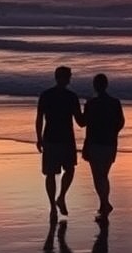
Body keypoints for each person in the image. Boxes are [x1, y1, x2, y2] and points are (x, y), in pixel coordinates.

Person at [36, 65, 84, 222]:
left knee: (54, 173)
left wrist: (39, 137)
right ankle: (58, 200)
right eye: (68, 77)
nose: (68, 79)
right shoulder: (71, 97)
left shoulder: (46, 95)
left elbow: (39, 118)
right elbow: (81, 122)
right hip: (64, 139)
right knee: (66, 170)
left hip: (51, 138)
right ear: (67, 79)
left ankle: (56, 202)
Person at [80, 73, 125, 219]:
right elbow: (121, 123)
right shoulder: (115, 102)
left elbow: (82, 123)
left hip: (94, 143)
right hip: (110, 143)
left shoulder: (91, 104)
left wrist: (83, 107)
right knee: (103, 175)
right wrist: (112, 132)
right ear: (106, 85)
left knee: (98, 176)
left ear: (95, 86)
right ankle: (104, 204)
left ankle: (104, 204)